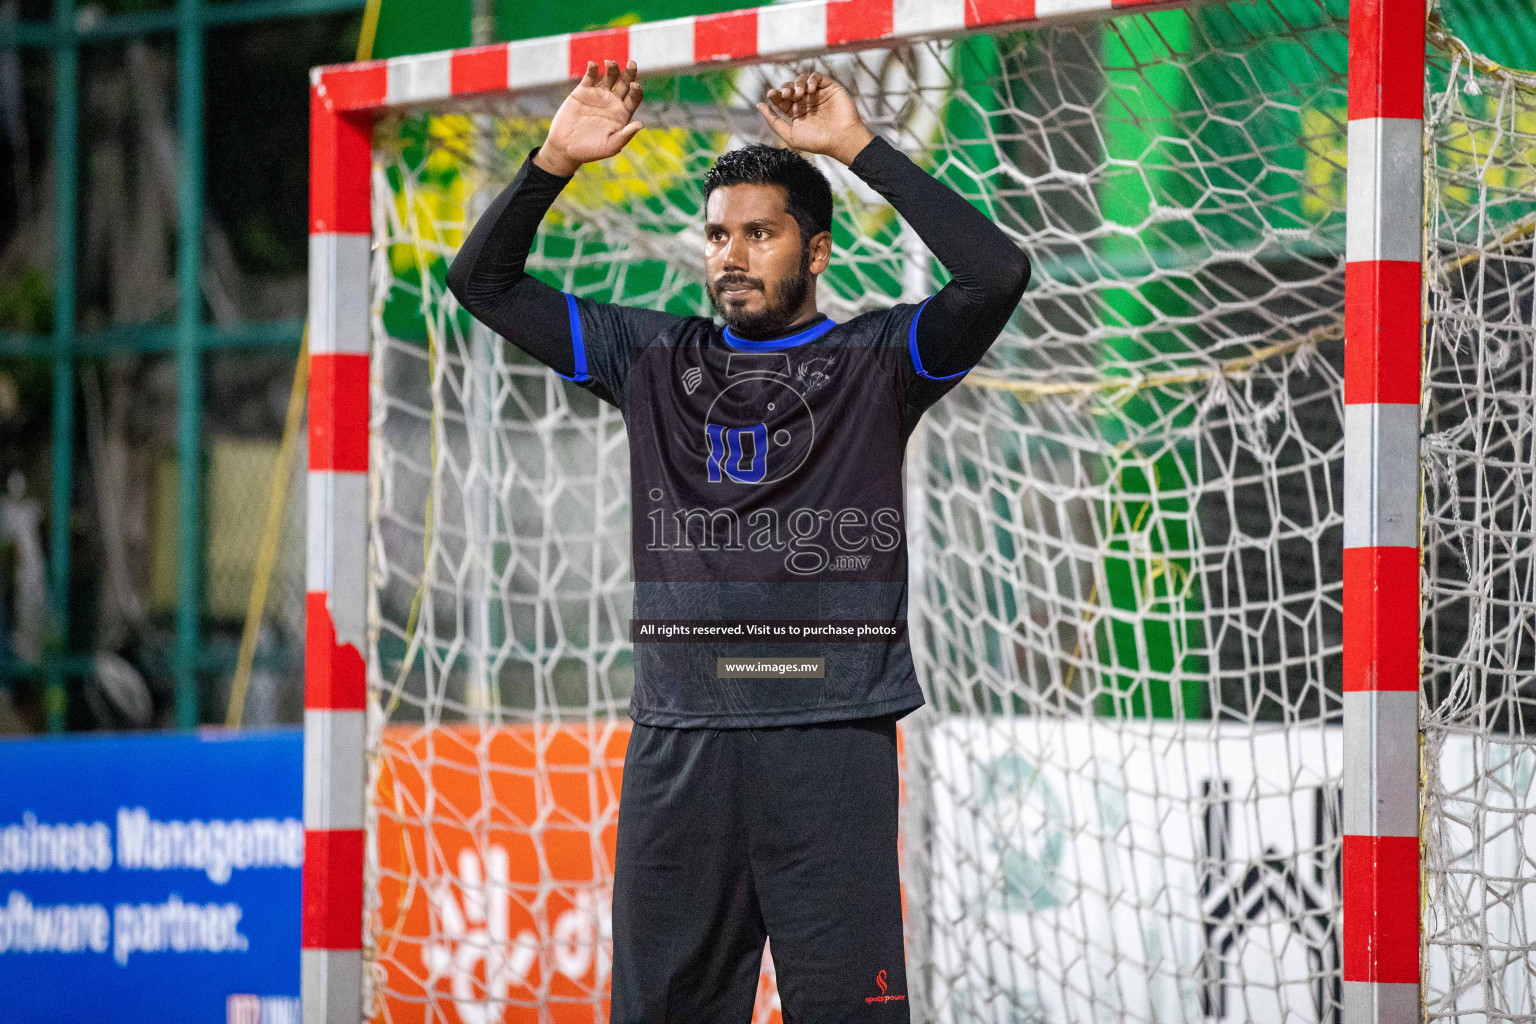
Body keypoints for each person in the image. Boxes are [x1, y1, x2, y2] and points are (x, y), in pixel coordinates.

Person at [446, 58, 1030, 1024]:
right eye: (718, 233)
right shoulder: (650, 357)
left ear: (818, 250)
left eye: (761, 234)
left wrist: (856, 147)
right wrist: (551, 160)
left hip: (829, 738)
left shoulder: (879, 363)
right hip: (683, 746)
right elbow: (485, 281)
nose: (732, 254)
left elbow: (996, 273)